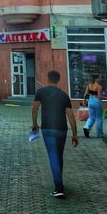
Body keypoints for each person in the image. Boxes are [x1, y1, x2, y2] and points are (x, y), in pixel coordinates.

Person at [31, 70, 78, 198]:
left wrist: (35, 124)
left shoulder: (41, 92)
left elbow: (34, 109)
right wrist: (75, 134)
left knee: (53, 156)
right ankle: (59, 182)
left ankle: (59, 187)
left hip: (47, 128)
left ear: (48, 78)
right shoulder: (64, 95)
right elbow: (71, 116)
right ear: (59, 79)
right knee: (58, 155)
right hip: (61, 129)